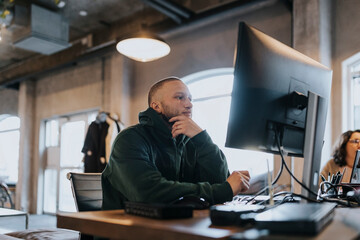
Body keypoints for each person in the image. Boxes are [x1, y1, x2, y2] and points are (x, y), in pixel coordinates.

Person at [101, 77, 250, 210]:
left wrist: (202, 139)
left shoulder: (190, 141)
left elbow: (219, 181)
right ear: (156, 106)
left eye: (190, 99)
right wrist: (222, 190)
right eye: (180, 97)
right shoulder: (130, 139)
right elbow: (149, 193)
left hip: (173, 225)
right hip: (126, 231)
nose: (189, 104)